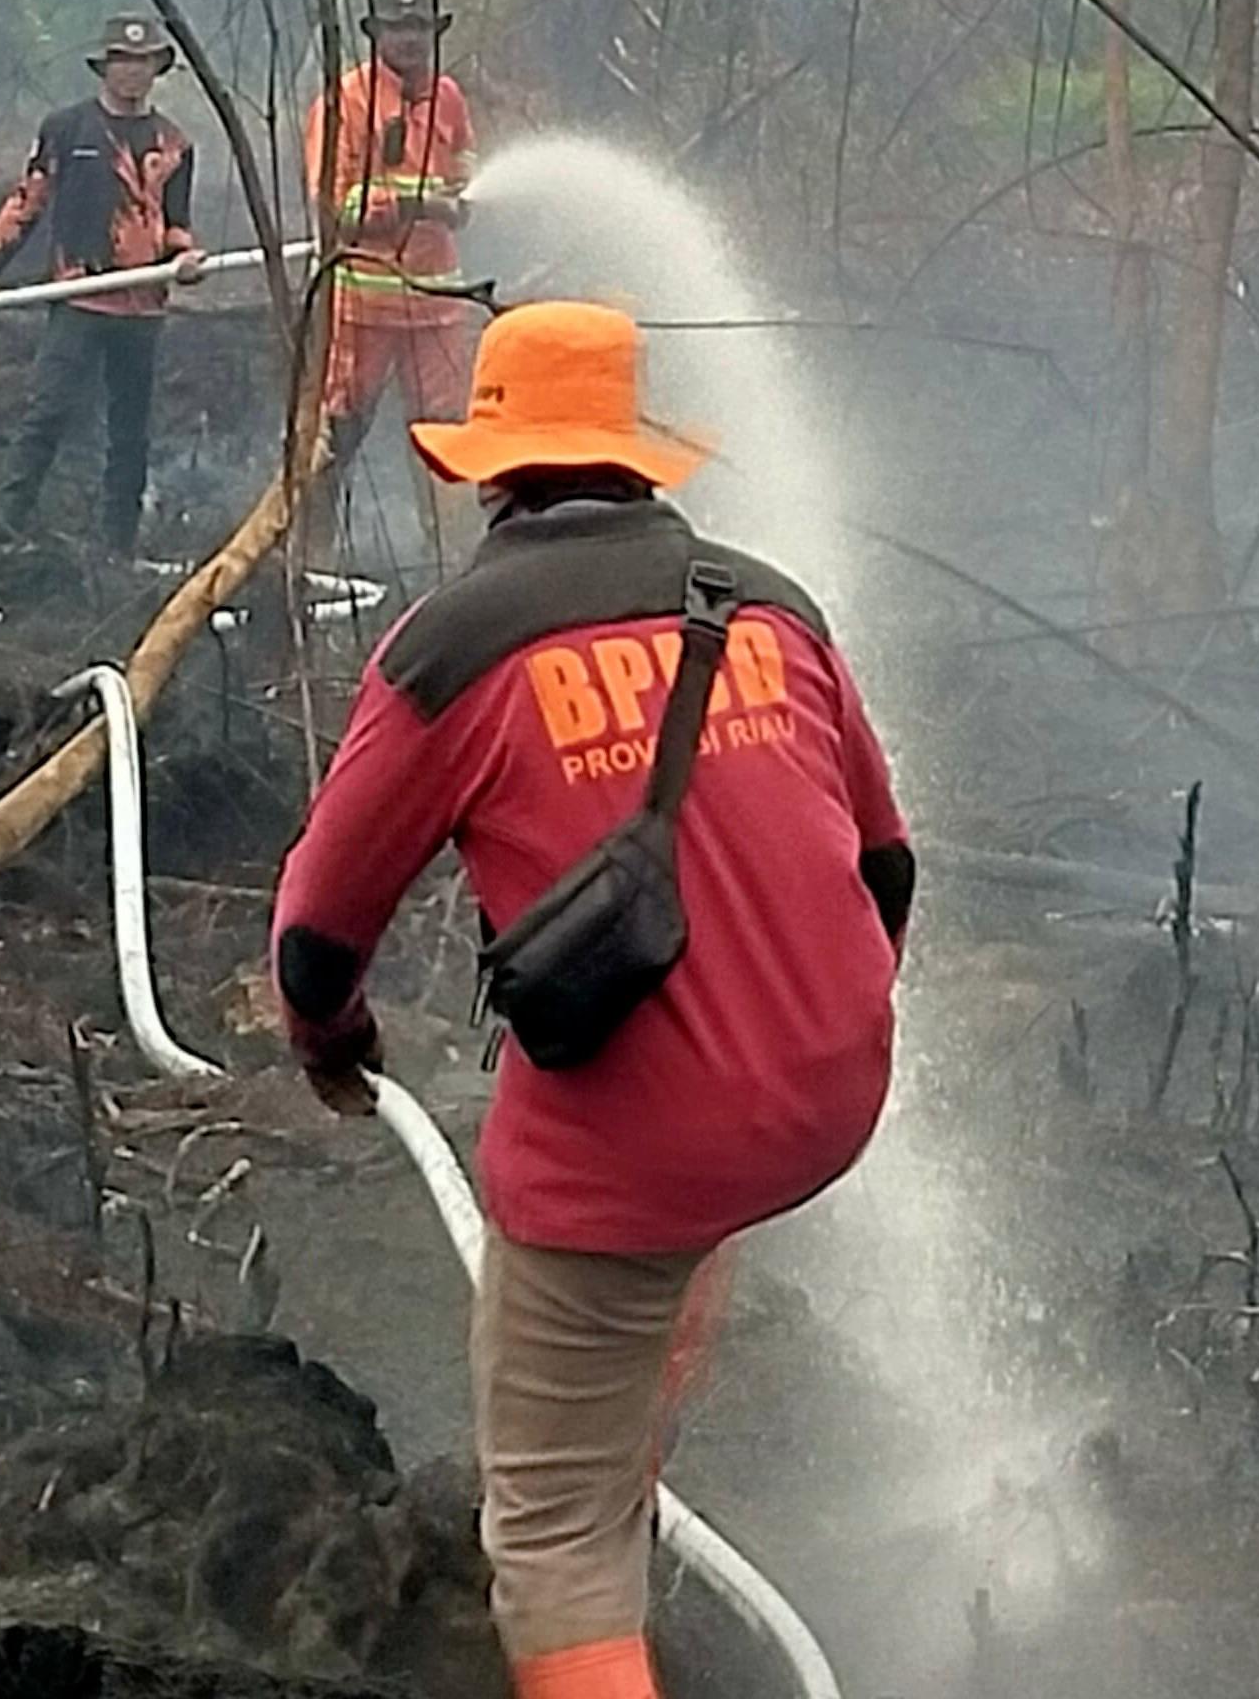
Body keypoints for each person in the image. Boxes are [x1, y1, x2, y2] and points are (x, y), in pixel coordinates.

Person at [265, 301, 913, 1699]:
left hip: (647, 1155)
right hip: (831, 1094)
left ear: (486, 469)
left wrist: (334, 1048)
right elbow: (886, 864)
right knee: (679, 1226)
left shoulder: (455, 650)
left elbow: (317, 937)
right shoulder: (768, 607)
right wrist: (790, 1039)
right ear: (638, 459)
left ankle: (597, 1520)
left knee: (551, 1529)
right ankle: (638, 1425)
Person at [0, 13, 209, 557]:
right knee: (48, 410)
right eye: (122, 61)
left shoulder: (175, 143)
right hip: (77, 299)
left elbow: (174, 223)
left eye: (142, 63)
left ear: (156, 70)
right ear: (105, 68)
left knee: (130, 431)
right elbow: (27, 204)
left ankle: (118, 542)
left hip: (142, 309)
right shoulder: (66, 129)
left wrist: (185, 258)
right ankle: (7, 518)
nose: (132, 72)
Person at [304, 0, 481, 553]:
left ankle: (451, 561)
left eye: (419, 27)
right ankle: (307, 555)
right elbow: (334, 205)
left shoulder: (448, 97)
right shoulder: (344, 102)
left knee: (445, 440)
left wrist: (463, 197)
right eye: (398, 27)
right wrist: (412, 203)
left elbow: (464, 169)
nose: (410, 38)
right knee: (337, 433)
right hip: (363, 306)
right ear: (375, 32)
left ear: (434, 30)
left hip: (436, 305)